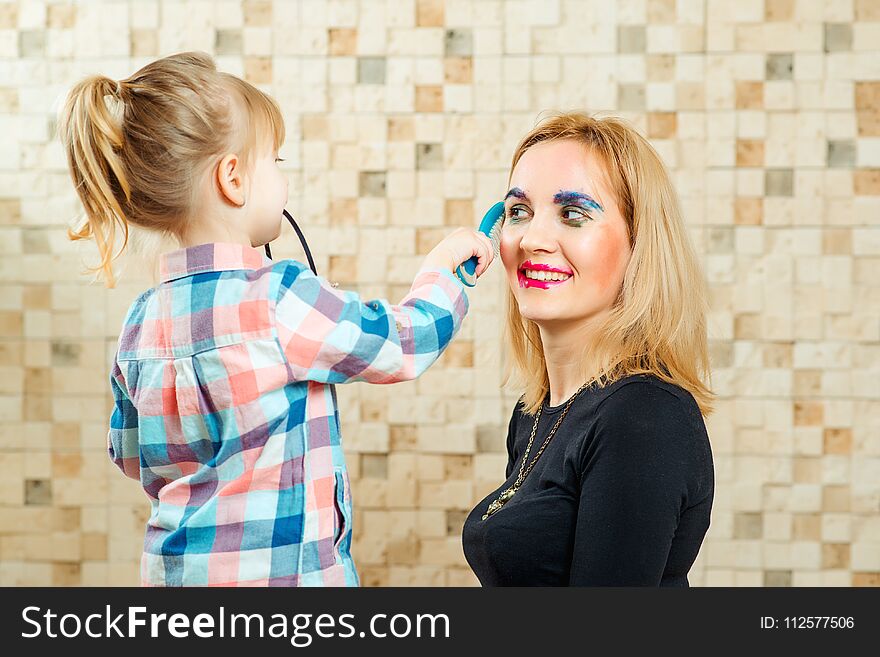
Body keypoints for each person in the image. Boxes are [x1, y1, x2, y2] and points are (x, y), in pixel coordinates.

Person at [58, 51, 494, 586]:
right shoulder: (280, 296)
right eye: (277, 162)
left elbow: (129, 456)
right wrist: (443, 277)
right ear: (233, 179)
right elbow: (404, 344)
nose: (283, 181)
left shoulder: (139, 322)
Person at [462, 112, 715, 586]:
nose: (532, 239)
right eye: (518, 211)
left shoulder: (643, 416)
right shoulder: (535, 412)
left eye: (573, 215)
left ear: (640, 244)